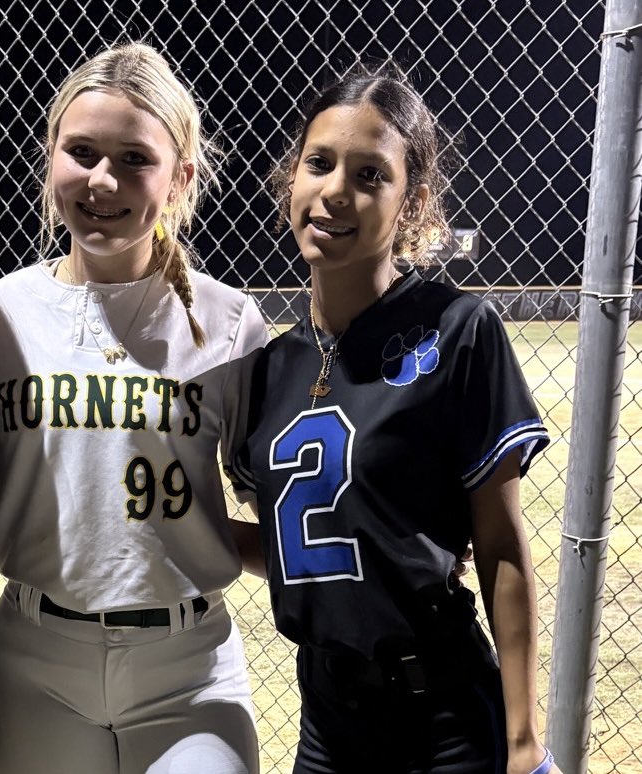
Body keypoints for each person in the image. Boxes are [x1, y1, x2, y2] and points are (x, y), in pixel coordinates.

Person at [230, 65, 561, 774]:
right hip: (325, 720)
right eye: (318, 164)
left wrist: (522, 738)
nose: (334, 193)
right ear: (289, 180)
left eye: (369, 174)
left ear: (410, 204)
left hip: (441, 717)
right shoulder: (269, 365)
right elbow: (306, 548)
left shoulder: (456, 330)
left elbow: (499, 546)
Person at [0, 43, 268, 774]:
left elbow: (273, 514)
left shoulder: (226, 321)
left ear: (180, 176)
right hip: (37, 657)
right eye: (82, 151)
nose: (102, 179)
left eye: (134, 158)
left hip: (188, 663)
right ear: (51, 156)